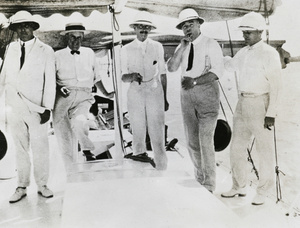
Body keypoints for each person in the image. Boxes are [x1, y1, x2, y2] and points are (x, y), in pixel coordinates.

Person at [220, 12, 282, 205]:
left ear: (260, 32)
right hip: (242, 103)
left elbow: (277, 86)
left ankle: (263, 191)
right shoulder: (244, 52)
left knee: (265, 151)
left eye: (248, 32)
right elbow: (230, 66)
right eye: (244, 32)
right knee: (237, 147)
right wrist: (218, 55)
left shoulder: (269, 53)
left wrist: (271, 113)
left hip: (260, 104)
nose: (245, 35)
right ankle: (239, 186)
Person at [0, 10, 56, 203]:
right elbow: (3, 77)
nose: (23, 30)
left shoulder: (46, 50)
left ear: (33, 27)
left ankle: (42, 184)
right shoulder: (10, 49)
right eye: (19, 27)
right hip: (14, 107)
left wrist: (47, 108)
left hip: (37, 109)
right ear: (15, 30)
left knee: (40, 147)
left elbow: (50, 82)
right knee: (20, 148)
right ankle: (21, 186)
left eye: (26, 26)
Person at [167, 8, 224, 192]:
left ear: (199, 24)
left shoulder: (211, 44)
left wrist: (196, 81)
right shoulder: (182, 46)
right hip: (187, 97)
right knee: (192, 141)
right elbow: (171, 68)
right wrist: (182, 47)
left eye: (190, 24)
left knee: (205, 140)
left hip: (206, 94)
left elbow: (217, 72)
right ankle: (199, 179)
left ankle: (209, 183)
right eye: (184, 26)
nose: (187, 29)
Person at [53, 23, 113, 166]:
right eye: (73, 37)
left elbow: (96, 77)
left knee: (80, 122)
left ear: (83, 38)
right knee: (64, 136)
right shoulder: (57, 55)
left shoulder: (89, 53)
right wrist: (58, 88)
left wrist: (106, 93)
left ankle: (87, 149)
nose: (76, 41)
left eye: (79, 38)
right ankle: (70, 170)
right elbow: (50, 78)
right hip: (62, 97)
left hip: (83, 96)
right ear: (67, 37)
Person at [121, 11, 168, 170]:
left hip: (155, 91)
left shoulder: (157, 46)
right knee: (138, 127)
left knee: (157, 129)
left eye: (147, 27)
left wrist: (165, 98)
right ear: (134, 28)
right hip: (135, 92)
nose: (144, 30)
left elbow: (162, 73)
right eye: (140, 27)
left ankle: (161, 166)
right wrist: (132, 75)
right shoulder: (126, 49)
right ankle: (139, 161)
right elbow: (122, 77)